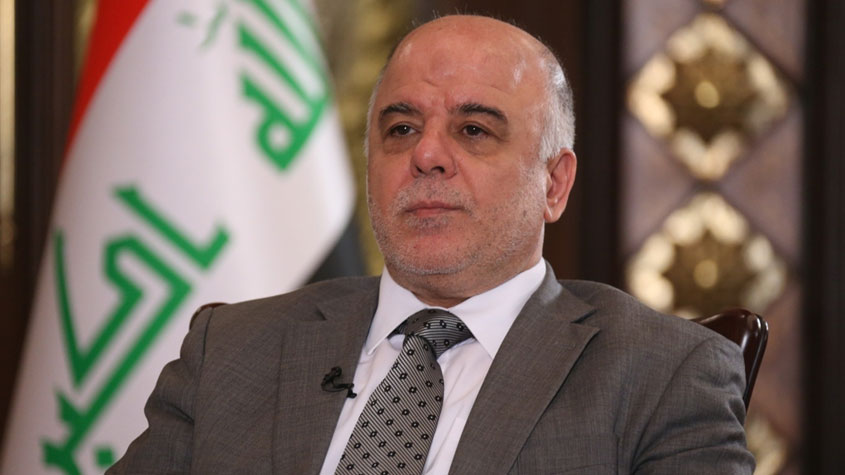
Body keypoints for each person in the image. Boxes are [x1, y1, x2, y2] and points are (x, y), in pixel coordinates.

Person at [109, 15, 754, 474]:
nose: (426, 155)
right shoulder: (230, 350)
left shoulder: (661, 374)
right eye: (400, 128)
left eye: (473, 130)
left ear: (554, 184)